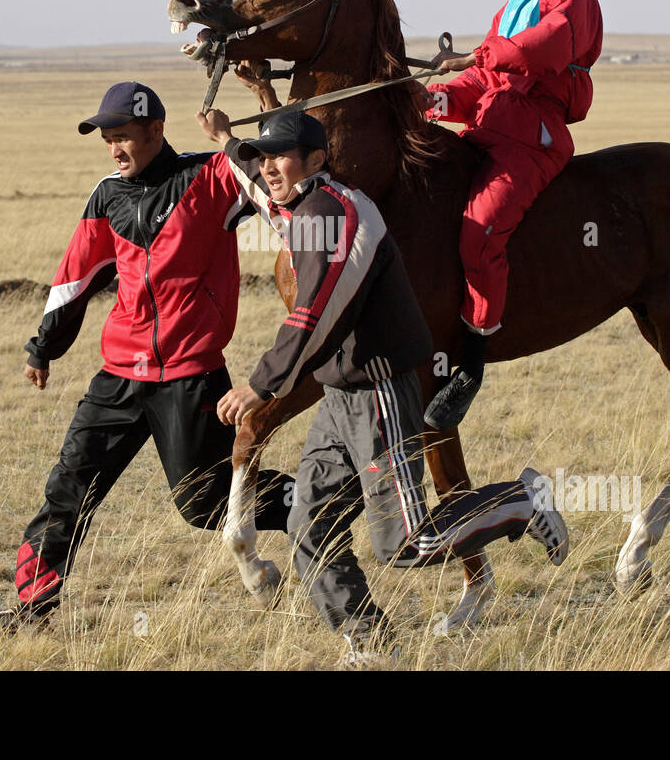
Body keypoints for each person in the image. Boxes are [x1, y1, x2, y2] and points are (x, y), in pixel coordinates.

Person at [196, 106, 568, 665]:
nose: (269, 167)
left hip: (379, 394)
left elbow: (319, 309)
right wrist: (229, 141)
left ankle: (521, 500)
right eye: (265, 156)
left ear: (317, 160)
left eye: (281, 156)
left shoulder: (338, 212)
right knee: (308, 524)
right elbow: (260, 187)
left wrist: (262, 385)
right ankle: (371, 645)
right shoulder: (298, 204)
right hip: (340, 396)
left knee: (405, 544)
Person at [0, 81, 294, 632]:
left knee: (205, 504)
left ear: (155, 131)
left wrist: (230, 138)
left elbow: (272, 185)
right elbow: (77, 274)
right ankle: (32, 612)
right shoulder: (107, 195)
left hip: (191, 376)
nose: (115, 149)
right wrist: (44, 347)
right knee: (68, 490)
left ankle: (318, 499)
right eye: (107, 139)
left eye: (123, 137)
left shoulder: (208, 177)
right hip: (118, 377)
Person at [423, 0, 604, 431]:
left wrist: (486, 52)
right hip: (492, 127)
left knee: (480, 228)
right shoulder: (513, 2)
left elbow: (554, 40)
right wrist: (435, 98)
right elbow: (484, 78)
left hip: (534, 137)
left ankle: (472, 362)